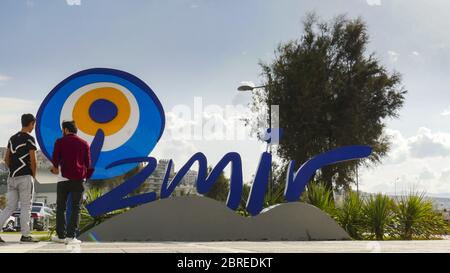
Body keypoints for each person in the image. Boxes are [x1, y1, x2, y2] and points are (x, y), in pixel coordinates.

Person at [51, 120, 92, 244]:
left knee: (61, 208)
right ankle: (71, 237)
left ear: (66, 130)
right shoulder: (84, 143)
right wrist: (85, 177)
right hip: (79, 179)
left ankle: (61, 236)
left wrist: (54, 169)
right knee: (75, 208)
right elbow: (88, 164)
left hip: (63, 178)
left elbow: (55, 160)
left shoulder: (60, 142)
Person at [0, 114, 39, 243]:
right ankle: (25, 235)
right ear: (31, 123)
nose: (33, 127)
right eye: (34, 124)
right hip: (25, 177)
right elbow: (33, 160)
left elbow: (6, 159)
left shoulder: (11, 138)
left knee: (9, 208)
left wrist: (13, 170)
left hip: (12, 178)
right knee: (26, 207)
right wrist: (32, 175)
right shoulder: (29, 139)